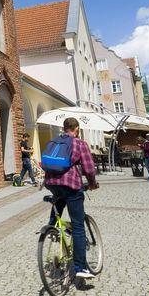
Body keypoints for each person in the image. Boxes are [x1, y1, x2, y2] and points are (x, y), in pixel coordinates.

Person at [44, 117, 99, 279]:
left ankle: (51, 228)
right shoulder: (79, 144)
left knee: (59, 200)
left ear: (64, 128)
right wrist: (92, 183)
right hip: (71, 185)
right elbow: (89, 168)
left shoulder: (54, 141)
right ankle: (81, 267)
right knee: (78, 226)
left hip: (51, 184)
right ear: (77, 129)